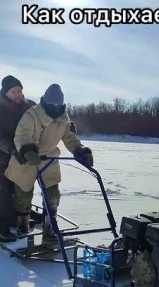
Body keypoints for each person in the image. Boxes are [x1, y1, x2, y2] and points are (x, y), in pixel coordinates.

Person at [5, 84, 93, 243]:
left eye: (58, 105)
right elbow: (22, 135)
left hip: (49, 158)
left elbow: (70, 138)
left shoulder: (64, 119)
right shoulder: (31, 115)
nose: (54, 108)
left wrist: (80, 150)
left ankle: (49, 227)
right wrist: (27, 150)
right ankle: (22, 226)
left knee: (52, 193)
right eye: (51, 105)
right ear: (44, 102)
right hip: (26, 157)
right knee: (23, 194)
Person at [0, 75, 36, 242]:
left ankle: (16, 220)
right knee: (4, 190)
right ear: (5, 92)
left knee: (21, 188)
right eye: (13, 91)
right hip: (3, 156)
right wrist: (12, 149)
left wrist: (66, 124)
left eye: (19, 90)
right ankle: (2, 227)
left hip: (22, 156)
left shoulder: (29, 106)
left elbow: (46, 116)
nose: (17, 94)